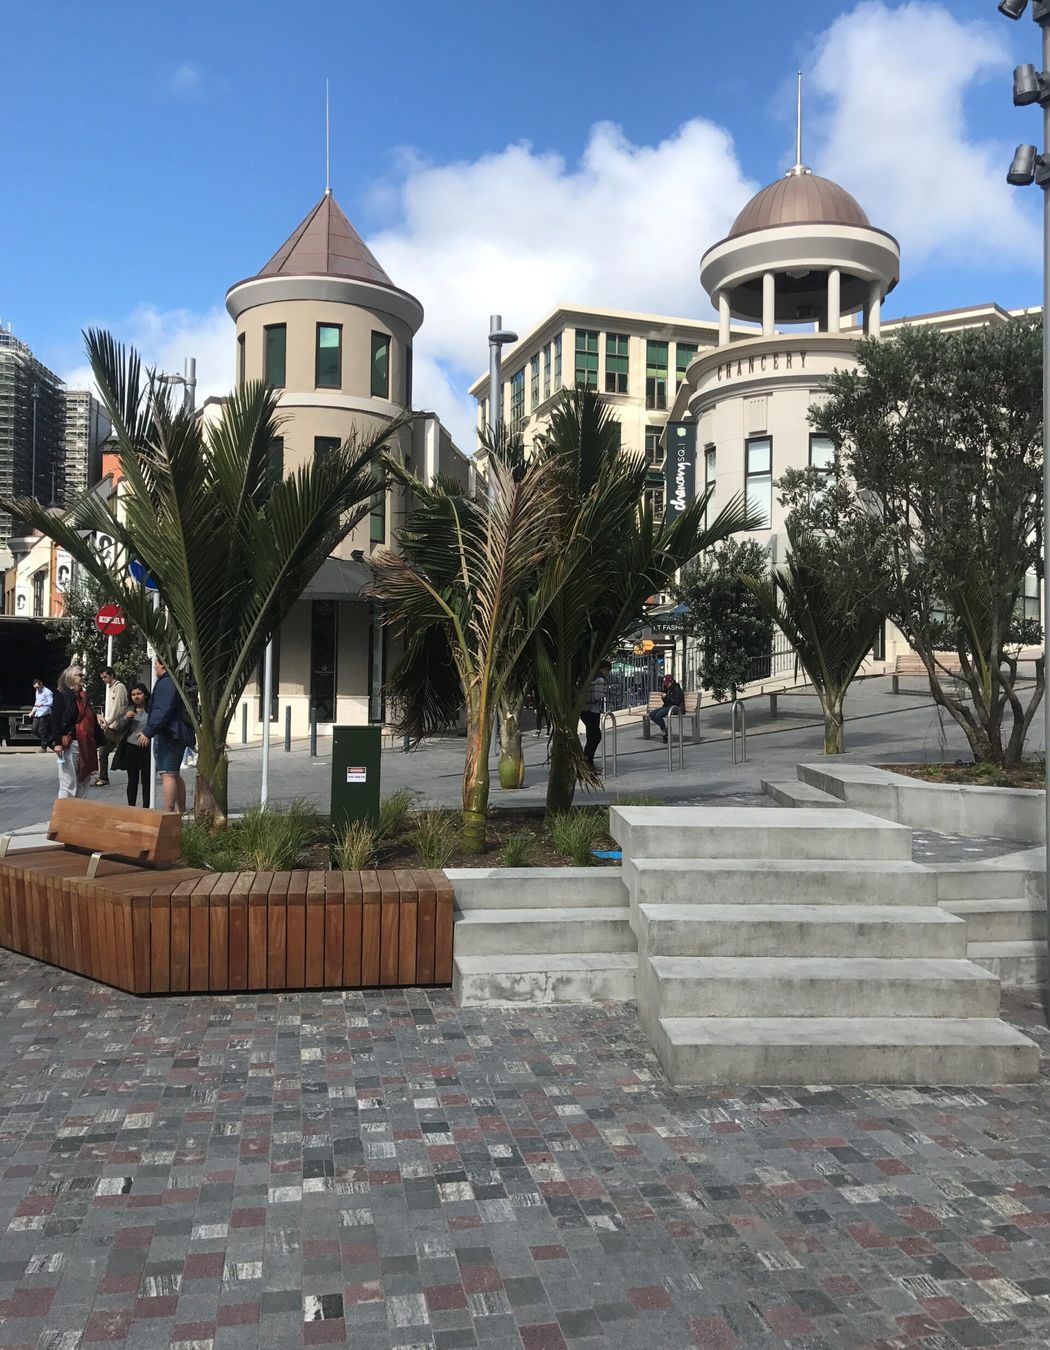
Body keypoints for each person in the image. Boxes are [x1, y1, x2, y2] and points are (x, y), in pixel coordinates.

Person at [143, 658, 196, 814]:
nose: (154, 667)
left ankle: (169, 812)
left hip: (168, 734)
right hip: (179, 733)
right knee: (174, 773)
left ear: (163, 665)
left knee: (168, 774)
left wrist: (148, 731)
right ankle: (180, 811)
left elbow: (161, 710)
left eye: (156, 664)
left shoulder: (166, 683)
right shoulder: (178, 682)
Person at [47, 666, 100, 799]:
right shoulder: (62, 696)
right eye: (79, 675)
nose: (82, 677)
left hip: (85, 743)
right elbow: (55, 720)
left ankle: (78, 812)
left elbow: (90, 719)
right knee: (68, 781)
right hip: (68, 744)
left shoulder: (84, 697)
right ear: (70, 678)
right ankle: (65, 814)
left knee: (84, 779)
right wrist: (57, 743)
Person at [111, 683, 151, 807]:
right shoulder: (128, 710)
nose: (136, 697)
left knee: (147, 781)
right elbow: (117, 727)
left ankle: (147, 807)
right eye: (133, 694)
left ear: (145, 695)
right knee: (132, 780)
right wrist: (125, 718)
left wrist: (147, 734)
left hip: (146, 749)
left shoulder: (152, 711)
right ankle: (131, 807)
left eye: (139, 693)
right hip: (130, 748)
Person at [95, 666, 128, 786]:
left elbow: (118, 708)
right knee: (103, 752)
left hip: (117, 725)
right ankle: (103, 777)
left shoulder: (119, 687)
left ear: (111, 675)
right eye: (102, 677)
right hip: (110, 725)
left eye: (105, 676)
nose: (103, 679)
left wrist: (108, 721)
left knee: (124, 752)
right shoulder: (109, 688)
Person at [580, 660, 612, 768]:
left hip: (585, 710)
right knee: (595, 736)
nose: (608, 673)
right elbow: (597, 695)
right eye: (608, 670)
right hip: (592, 711)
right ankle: (588, 760)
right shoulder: (600, 679)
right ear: (604, 669)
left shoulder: (591, 677)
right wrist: (606, 690)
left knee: (592, 736)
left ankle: (588, 759)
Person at [649, 674, 684, 743]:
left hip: (675, 708)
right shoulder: (668, 689)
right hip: (667, 706)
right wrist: (663, 696)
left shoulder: (677, 689)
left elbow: (676, 701)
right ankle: (664, 729)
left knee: (658, 715)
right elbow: (666, 701)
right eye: (665, 684)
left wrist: (667, 696)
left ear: (671, 682)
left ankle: (664, 734)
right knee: (652, 714)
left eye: (667, 683)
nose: (666, 685)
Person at [31, 678, 53, 751]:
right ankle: (49, 741)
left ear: (41, 684)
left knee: (41, 730)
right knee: (34, 730)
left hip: (45, 712)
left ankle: (43, 747)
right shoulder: (37, 691)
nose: (36, 689)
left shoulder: (47, 692)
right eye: (35, 688)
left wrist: (42, 704)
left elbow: (51, 703)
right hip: (38, 713)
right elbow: (36, 702)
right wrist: (32, 711)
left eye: (37, 687)